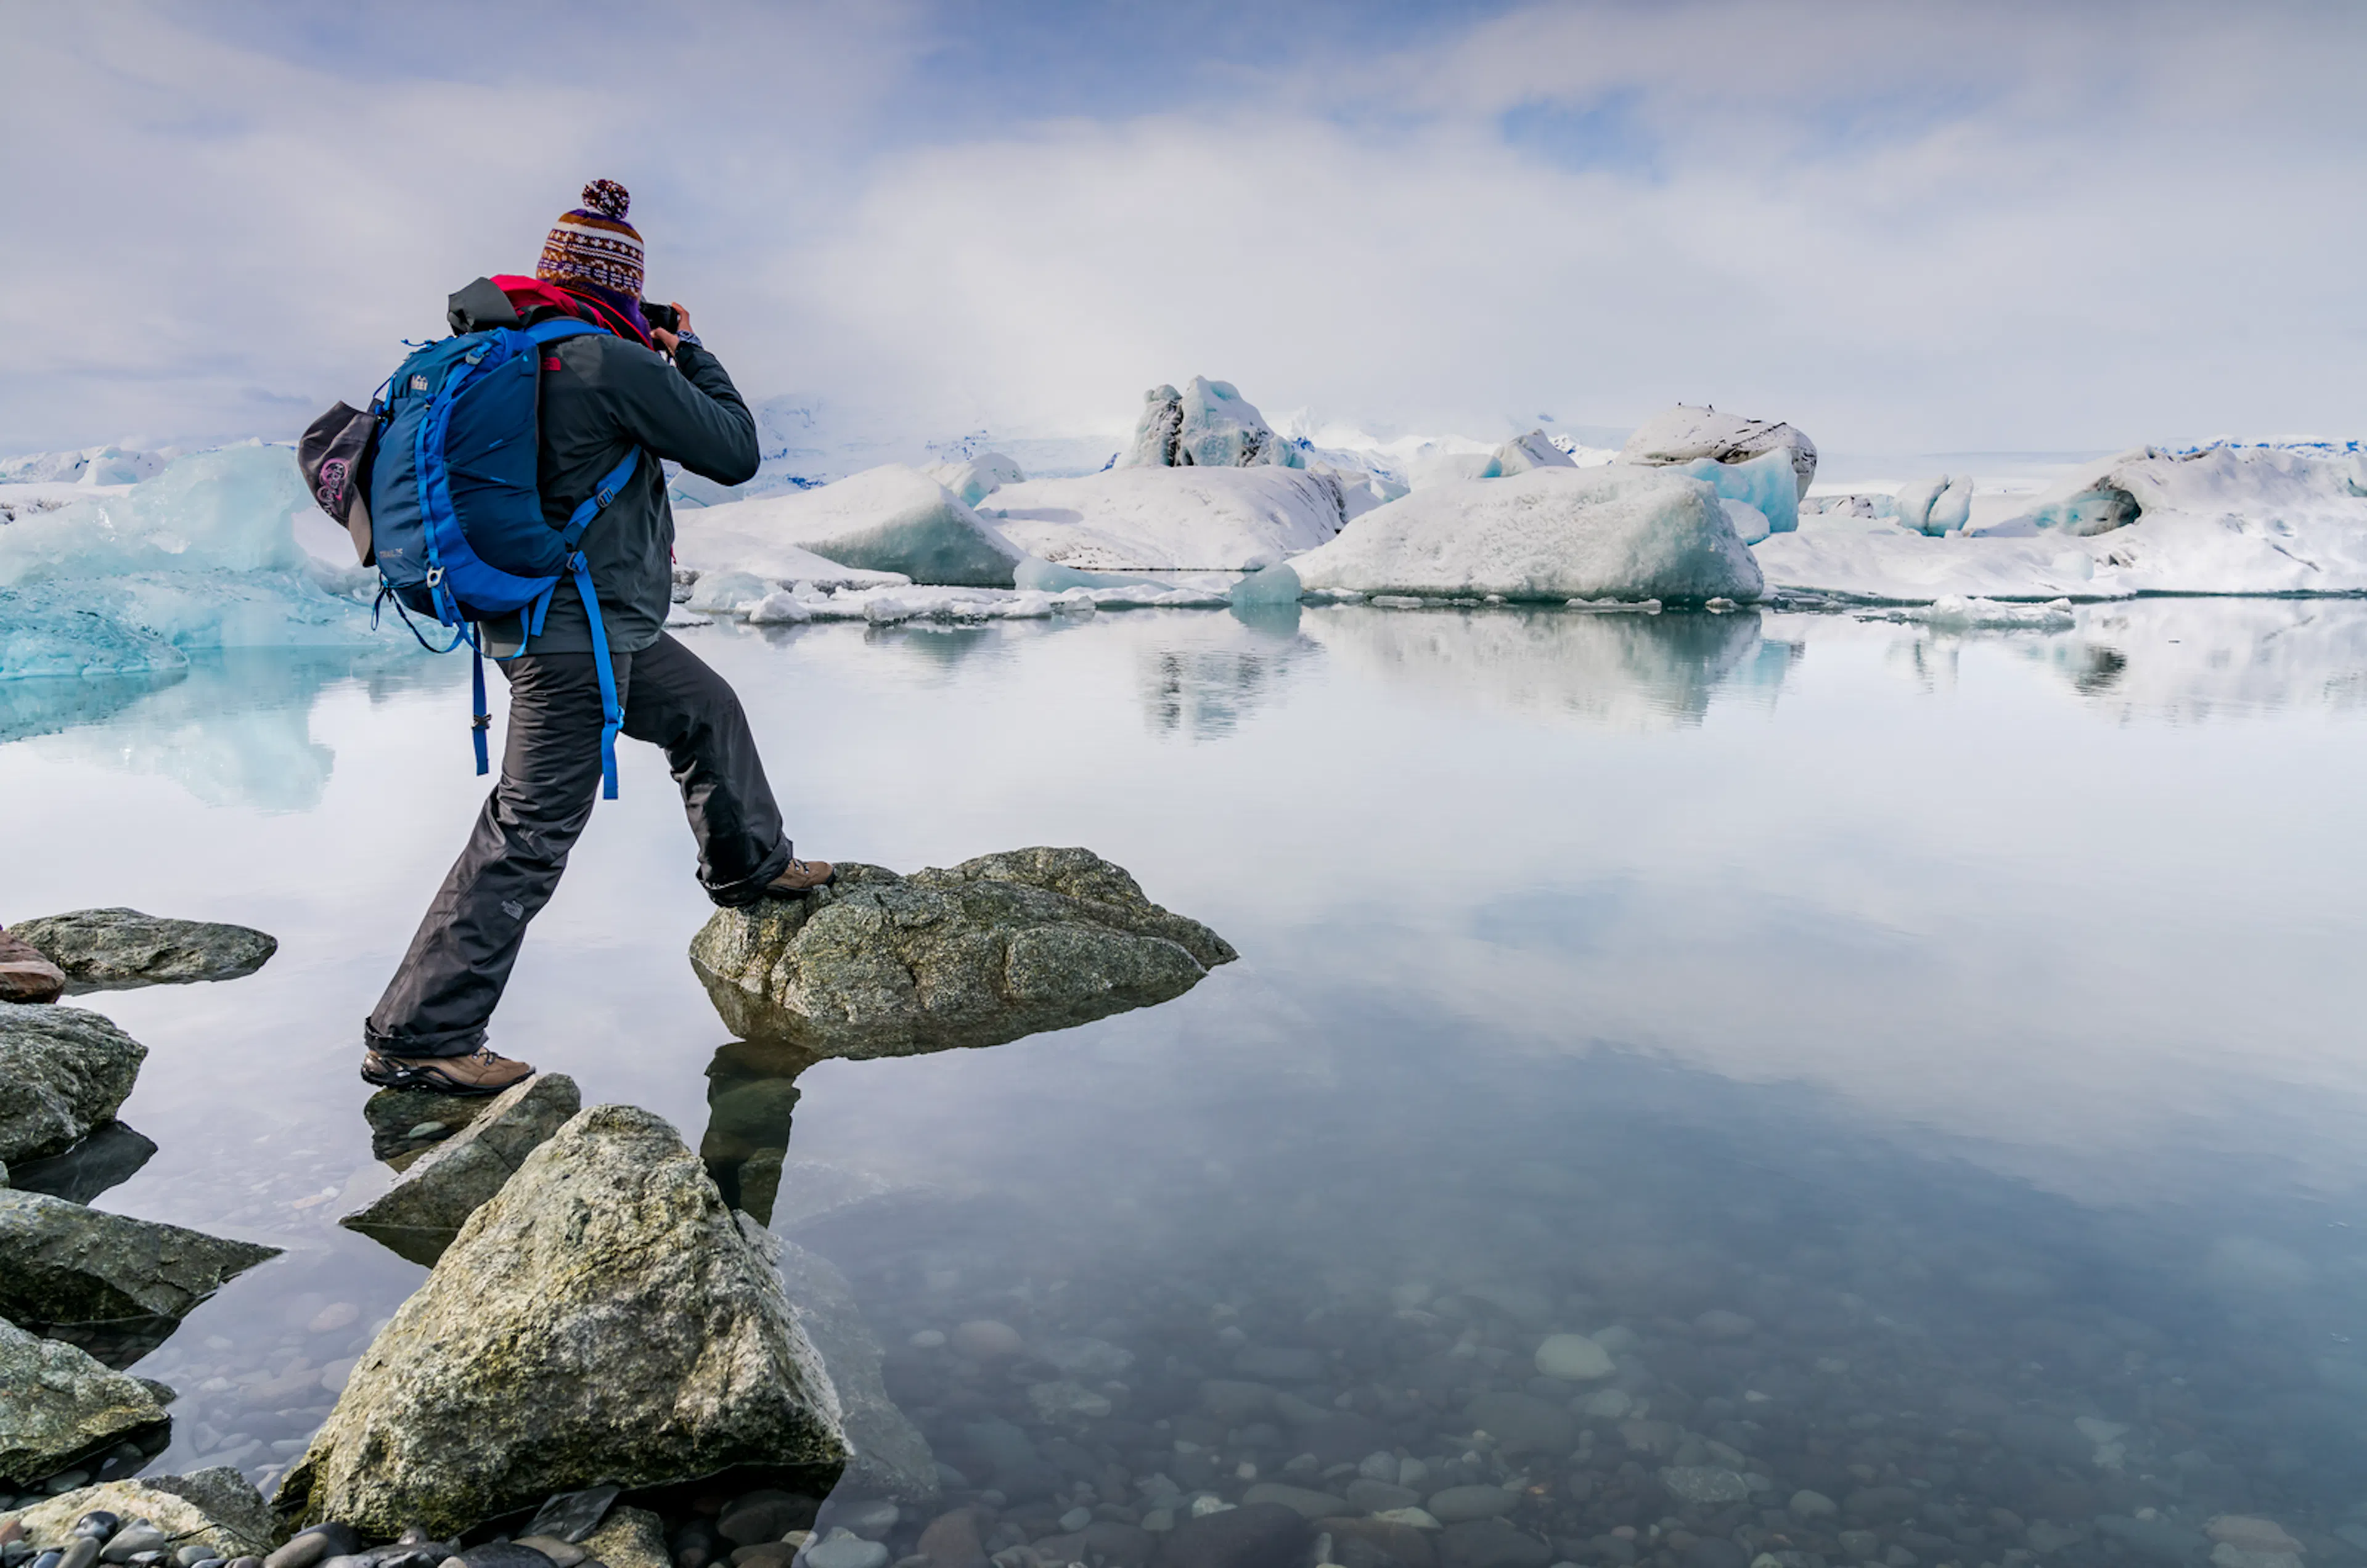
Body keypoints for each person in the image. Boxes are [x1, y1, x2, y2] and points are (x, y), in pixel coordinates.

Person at [361, 179, 833, 1096]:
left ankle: (750, 867)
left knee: (703, 709)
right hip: (573, 637)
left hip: (570, 621)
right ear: (620, 288)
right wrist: (687, 348)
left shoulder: (506, 352)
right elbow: (733, 451)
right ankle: (422, 1033)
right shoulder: (604, 362)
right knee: (530, 830)